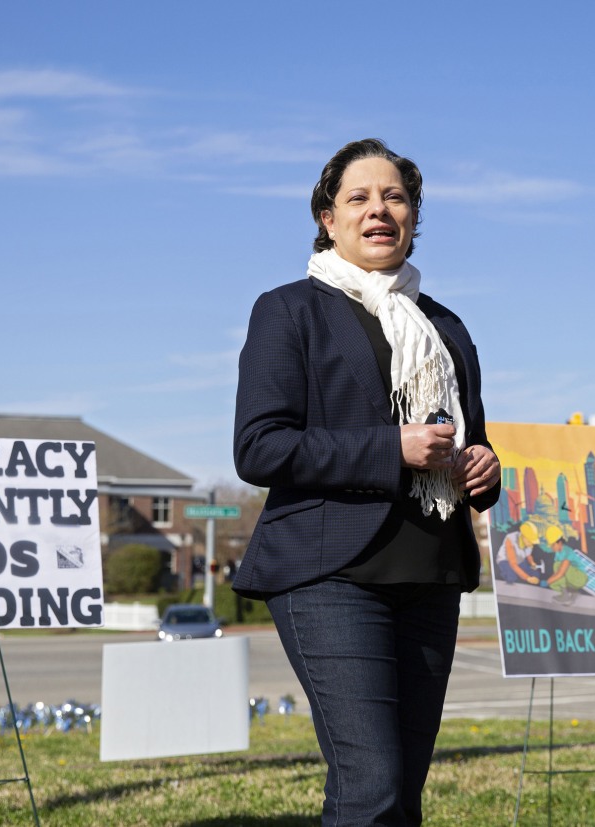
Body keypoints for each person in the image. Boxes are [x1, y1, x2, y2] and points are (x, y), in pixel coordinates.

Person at [232, 138, 501, 826]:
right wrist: (393, 448)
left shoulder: (445, 326)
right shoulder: (290, 310)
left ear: (413, 215)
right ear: (328, 217)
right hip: (331, 572)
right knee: (371, 781)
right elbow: (260, 448)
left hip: (432, 572)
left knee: (402, 790)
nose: (379, 209)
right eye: (359, 197)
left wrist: (482, 467)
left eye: (395, 197)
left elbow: (470, 436)